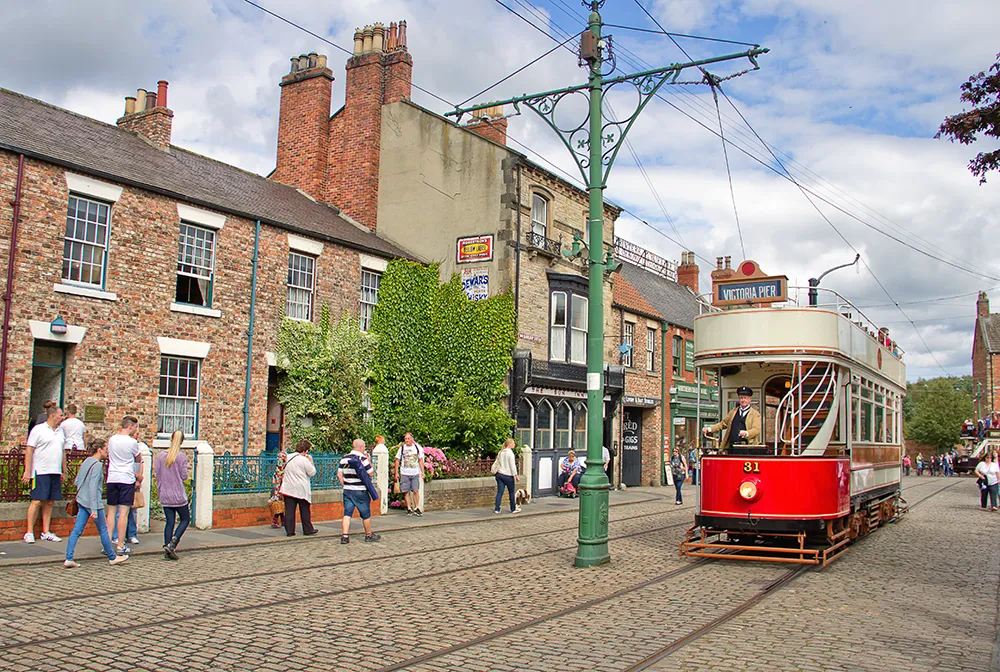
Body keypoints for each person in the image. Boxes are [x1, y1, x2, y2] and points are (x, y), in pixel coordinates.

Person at [64, 438, 129, 568]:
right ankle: (112, 557)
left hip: (82, 501)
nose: (107, 452)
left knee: (77, 530)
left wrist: (82, 497)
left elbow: (77, 481)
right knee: (103, 530)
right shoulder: (97, 465)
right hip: (93, 503)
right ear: (99, 450)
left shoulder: (86, 461)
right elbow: (93, 487)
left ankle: (69, 557)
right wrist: (94, 509)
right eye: (106, 449)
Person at [22, 404, 67, 543]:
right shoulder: (38, 430)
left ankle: (45, 531)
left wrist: (63, 470)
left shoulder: (60, 431)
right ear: (53, 416)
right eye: (61, 415)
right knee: (36, 501)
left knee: (49, 502)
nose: (63, 417)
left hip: (55, 470)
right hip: (40, 470)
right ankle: (29, 532)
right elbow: (29, 450)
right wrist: (27, 471)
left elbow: (63, 451)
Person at [105, 416, 141, 556]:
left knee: (112, 512)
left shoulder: (112, 439)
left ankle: (107, 543)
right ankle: (120, 544)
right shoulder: (132, 442)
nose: (135, 430)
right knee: (123, 513)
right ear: (131, 426)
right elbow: (138, 458)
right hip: (126, 478)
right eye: (135, 427)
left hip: (112, 477)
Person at [155, 429, 190, 560]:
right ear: (182, 442)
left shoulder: (160, 456)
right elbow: (184, 476)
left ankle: (166, 546)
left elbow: (157, 475)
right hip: (178, 495)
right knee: (185, 519)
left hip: (165, 494)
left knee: (169, 522)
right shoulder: (181, 457)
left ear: (171, 439)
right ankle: (173, 542)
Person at [338, 438, 380, 544]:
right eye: (364, 447)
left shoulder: (344, 458)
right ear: (361, 447)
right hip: (360, 490)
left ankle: (345, 536)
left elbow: (339, 474)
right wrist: (369, 461)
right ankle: (368, 535)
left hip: (348, 491)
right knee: (365, 514)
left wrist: (345, 485)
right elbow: (370, 473)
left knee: (347, 513)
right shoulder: (362, 458)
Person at [280, 439, 318, 537]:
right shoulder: (304, 460)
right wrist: (311, 461)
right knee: (304, 510)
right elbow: (312, 472)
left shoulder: (288, 457)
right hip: (301, 488)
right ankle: (308, 529)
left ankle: (289, 531)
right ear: (305, 450)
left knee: (289, 511)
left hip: (288, 487)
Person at [393, 432, 425, 516]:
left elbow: (420, 460)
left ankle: (417, 507)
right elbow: (397, 460)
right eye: (405, 439)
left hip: (415, 472)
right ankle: (409, 508)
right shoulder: (402, 448)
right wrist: (396, 472)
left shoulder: (417, 448)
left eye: (408, 439)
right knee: (406, 491)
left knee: (415, 490)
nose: (406, 440)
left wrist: (422, 471)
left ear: (412, 439)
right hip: (404, 472)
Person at [493, 438, 520, 514]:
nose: (514, 444)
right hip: (508, 475)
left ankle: (497, 509)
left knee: (500, 492)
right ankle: (513, 508)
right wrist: (516, 475)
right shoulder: (510, 453)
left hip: (499, 474)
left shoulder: (501, 452)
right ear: (509, 444)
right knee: (511, 492)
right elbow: (512, 466)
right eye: (513, 443)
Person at [268, 446, 287, 529]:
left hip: (278, 486)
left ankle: (282, 520)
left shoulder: (278, 467)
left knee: (280, 503)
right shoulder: (283, 466)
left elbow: (275, 476)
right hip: (281, 486)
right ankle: (277, 520)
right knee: (279, 503)